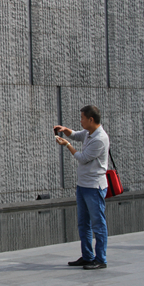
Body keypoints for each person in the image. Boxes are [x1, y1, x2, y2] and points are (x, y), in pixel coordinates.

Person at [54, 105, 110, 270]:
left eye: (82, 118)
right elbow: (77, 134)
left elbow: (83, 157)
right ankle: (87, 256)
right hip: (83, 185)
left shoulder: (100, 138)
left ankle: (101, 259)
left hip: (94, 187)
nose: (81, 121)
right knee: (83, 223)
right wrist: (65, 130)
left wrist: (66, 144)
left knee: (98, 224)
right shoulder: (89, 133)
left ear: (91, 120)